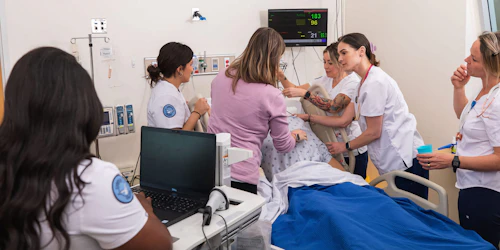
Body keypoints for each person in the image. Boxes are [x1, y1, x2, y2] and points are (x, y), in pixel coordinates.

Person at [0, 47, 172, 250]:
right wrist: (144, 210)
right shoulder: (89, 178)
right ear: (84, 107)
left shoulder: (8, 167)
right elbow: (161, 245)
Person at [417, 31, 500, 248]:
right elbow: (465, 116)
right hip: (471, 185)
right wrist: (459, 88)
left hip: (487, 193)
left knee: (480, 245)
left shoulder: (498, 101)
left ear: (492, 64)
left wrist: (453, 161)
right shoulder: (485, 91)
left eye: (473, 58)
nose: (466, 61)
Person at [324, 33, 428, 199]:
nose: (340, 59)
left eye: (344, 53)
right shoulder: (363, 83)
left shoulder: (374, 83)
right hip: (394, 159)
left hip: (404, 159)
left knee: (414, 215)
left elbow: (373, 132)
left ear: (361, 51)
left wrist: (345, 146)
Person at [208, 27, 307, 194]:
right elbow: (282, 145)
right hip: (241, 176)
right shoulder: (271, 95)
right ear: (275, 59)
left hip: (209, 167)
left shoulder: (221, 76)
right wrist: (295, 135)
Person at [281, 42, 369, 179]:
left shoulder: (351, 83)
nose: (326, 66)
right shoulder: (324, 80)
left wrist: (306, 95)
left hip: (351, 147)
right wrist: (280, 76)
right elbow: (294, 89)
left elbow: (334, 107)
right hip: (330, 144)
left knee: (355, 185)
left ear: (340, 62)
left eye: (330, 63)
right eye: (324, 62)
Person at [147, 42, 210, 130]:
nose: (192, 69)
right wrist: (197, 112)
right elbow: (175, 140)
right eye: (191, 65)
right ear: (180, 69)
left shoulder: (168, 88)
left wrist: (184, 108)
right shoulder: (166, 97)